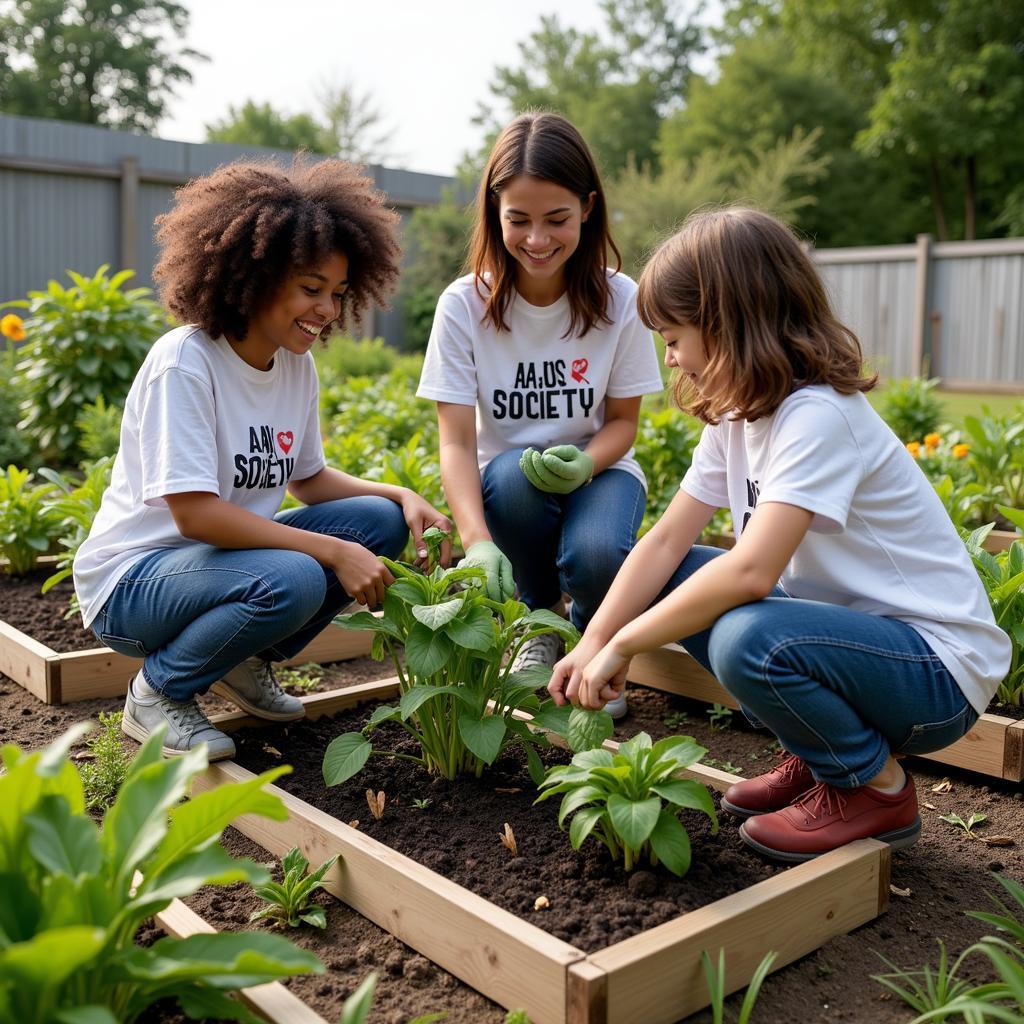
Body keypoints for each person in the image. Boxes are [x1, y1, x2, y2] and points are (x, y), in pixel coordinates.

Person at [547, 207, 1011, 860]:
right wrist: (593, 637)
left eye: (675, 336)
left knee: (744, 632)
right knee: (681, 579)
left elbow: (751, 574)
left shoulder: (816, 416)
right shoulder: (736, 418)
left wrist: (624, 643)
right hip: (858, 647)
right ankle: (819, 754)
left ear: (729, 321)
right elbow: (663, 543)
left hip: (936, 672)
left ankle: (873, 787)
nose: (672, 357)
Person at [74, 159, 450, 761]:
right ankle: (156, 694)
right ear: (255, 275)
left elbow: (307, 479)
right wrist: (331, 550)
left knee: (375, 524)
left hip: (221, 568)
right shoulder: (187, 363)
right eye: (310, 288)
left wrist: (398, 496)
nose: (327, 309)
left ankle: (241, 660)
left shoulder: (294, 364)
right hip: (135, 581)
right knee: (298, 575)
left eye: (337, 294)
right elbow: (195, 516)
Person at [416, 112, 663, 718]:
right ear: (493, 213)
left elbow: (623, 425)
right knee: (508, 474)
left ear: (587, 207)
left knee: (600, 553)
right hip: (510, 488)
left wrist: (585, 463)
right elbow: (455, 442)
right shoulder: (463, 305)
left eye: (556, 219)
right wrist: (474, 541)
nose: (537, 239)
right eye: (517, 220)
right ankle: (537, 620)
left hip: (602, 472)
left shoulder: (619, 299)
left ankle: (595, 638)